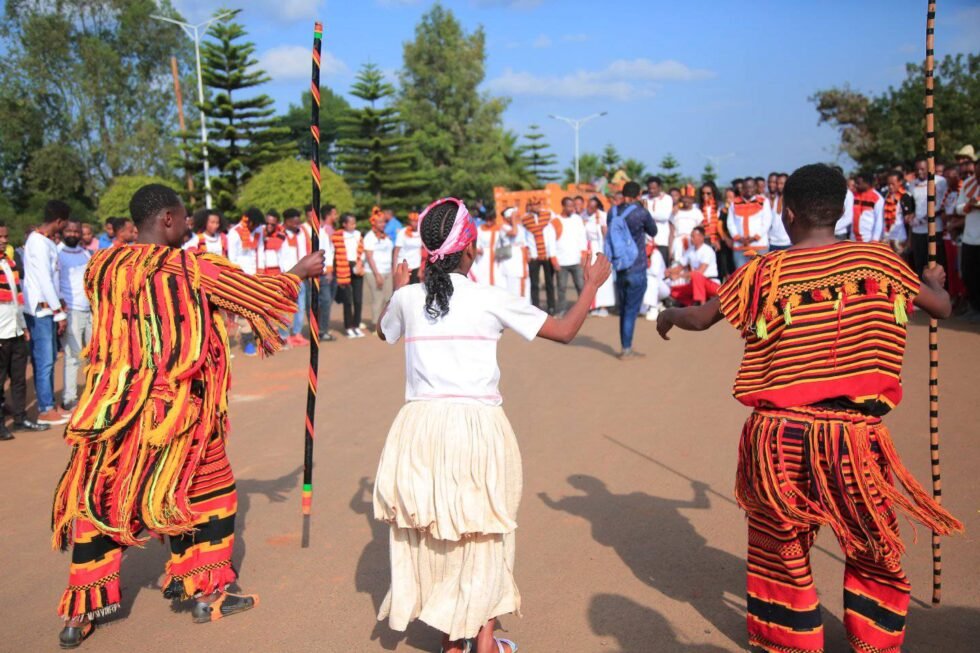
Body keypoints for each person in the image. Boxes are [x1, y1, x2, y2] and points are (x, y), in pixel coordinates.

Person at [656, 164, 963, 653]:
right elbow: (942, 307)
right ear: (841, 211)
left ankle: (793, 643)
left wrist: (670, 314)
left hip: (778, 437)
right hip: (854, 439)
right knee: (872, 542)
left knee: (781, 545)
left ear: (787, 213)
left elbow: (700, 317)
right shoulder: (880, 261)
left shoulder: (762, 271)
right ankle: (875, 641)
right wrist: (933, 280)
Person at [51, 184, 324, 649]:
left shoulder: (102, 267)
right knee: (210, 495)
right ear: (167, 220)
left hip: (112, 411)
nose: (189, 226)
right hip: (179, 416)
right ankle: (208, 593)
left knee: (101, 501)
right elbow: (256, 296)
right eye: (183, 218)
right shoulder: (194, 268)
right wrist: (299, 271)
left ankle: (80, 613)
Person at [373, 196, 611, 653]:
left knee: (436, 533)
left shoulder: (406, 298)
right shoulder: (489, 298)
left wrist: (398, 287)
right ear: (469, 249)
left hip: (420, 429)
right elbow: (564, 331)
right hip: (476, 428)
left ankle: (454, 641)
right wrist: (591, 286)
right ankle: (483, 640)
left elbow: (385, 331)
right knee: (482, 532)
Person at [0, 220, 48, 439]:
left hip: (16, 330)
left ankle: (20, 419)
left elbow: (16, 298)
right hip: (1, 332)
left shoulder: (9, 263)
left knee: (19, 379)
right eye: (0, 237)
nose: (4, 241)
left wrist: (22, 326)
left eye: (6, 237)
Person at [23, 200, 70, 425]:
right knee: (44, 361)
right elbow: (44, 279)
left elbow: (54, 278)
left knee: (50, 359)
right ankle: (45, 408)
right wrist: (58, 311)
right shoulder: (38, 242)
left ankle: (50, 402)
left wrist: (59, 304)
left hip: (49, 308)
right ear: (59, 221)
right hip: (41, 310)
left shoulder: (46, 241)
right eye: (65, 223)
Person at [606, 181, 657, 359]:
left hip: (619, 266)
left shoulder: (612, 212)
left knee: (623, 308)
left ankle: (625, 345)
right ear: (639, 195)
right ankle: (626, 348)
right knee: (631, 310)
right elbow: (653, 231)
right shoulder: (641, 213)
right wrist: (645, 210)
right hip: (637, 265)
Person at [57, 219, 92, 412]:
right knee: (73, 357)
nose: (73, 234)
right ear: (63, 231)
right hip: (71, 311)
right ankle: (69, 398)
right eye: (69, 231)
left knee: (94, 355)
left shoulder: (84, 253)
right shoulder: (58, 253)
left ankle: (93, 393)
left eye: (76, 231)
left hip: (89, 310)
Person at [228, 208, 263, 355]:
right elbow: (232, 258)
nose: (256, 227)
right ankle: (247, 341)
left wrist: (260, 274)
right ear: (248, 221)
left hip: (256, 276)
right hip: (241, 277)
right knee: (244, 311)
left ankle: (253, 337)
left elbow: (260, 252)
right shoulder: (234, 233)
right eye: (255, 225)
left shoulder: (258, 231)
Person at [908, 155, 949, 276]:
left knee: (936, 265)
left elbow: (943, 204)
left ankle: (938, 288)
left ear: (929, 167)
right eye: (917, 169)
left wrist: (929, 216)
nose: (919, 172)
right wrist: (911, 216)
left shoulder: (940, 181)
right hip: (918, 230)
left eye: (922, 169)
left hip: (935, 229)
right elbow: (912, 205)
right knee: (920, 264)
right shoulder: (912, 184)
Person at [726, 177, 773, 269]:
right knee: (741, 273)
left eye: (751, 187)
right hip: (740, 246)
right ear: (742, 188)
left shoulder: (763, 201)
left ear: (755, 187)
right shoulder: (734, 203)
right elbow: (730, 223)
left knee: (760, 273)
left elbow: (767, 221)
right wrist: (738, 238)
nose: (749, 190)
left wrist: (755, 238)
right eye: (746, 187)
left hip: (759, 245)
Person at [955, 146, 980, 320]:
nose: (977, 177)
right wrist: (969, 206)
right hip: (969, 238)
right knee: (968, 274)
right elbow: (957, 208)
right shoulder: (968, 183)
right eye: (976, 174)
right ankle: (974, 307)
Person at [280, 208, 311, 345]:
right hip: (286, 276)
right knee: (285, 308)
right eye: (293, 222)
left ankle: (297, 333)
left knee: (300, 306)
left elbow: (306, 251)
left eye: (298, 222)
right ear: (286, 221)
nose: (296, 225)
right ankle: (284, 335)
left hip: (301, 276)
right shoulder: (280, 233)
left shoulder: (302, 232)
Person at [667, 226, 719, 306]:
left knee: (697, 276)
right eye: (691, 236)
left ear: (701, 237)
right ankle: (691, 304)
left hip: (711, 283)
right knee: (673, 291)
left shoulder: (707, 250)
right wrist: (669, 272)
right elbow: (680, 267)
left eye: (693, 236)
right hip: (696, 284)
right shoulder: (690, 251)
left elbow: (700, 272)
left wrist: (679, 276)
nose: (691, 239)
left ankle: (701, 306)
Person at [522, 203, 559, 314]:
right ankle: (535, 308)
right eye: (533, 205)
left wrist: (553, 255)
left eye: (538, 204)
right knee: (534, 283)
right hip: (534, 256)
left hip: (547, 254)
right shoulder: (525, 219)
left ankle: (551, 307)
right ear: (530, 206)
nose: (536, 207)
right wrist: (527, 253)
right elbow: (524, 238)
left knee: (549, 283)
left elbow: (555, 231)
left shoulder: (548, 215)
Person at [332, 213, 365, 338]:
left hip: (356, 265)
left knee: (358, 299)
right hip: (343, 266)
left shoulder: (358, 234)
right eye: (351, 223)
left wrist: (360, 264)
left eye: (354, 223)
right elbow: (333, 252)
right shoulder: (337, 236)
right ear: (344, 224)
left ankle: (356, 325)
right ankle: (348, 326)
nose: (353, 225)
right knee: (347, 299)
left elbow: (362, 251)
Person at [308, 203, 338, 341]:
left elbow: (328, 252)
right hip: (309, 274)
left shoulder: (323, 232)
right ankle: (314, 330)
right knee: (312, 303)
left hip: (323, 273)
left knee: (326, 301)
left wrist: (329, 270)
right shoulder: (304, 232)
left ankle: (323, 330)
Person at [554, 197, 589, 312]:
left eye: (573, 206)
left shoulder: (577, 219)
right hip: (561, 260)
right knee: (561, 287)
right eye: (569, 206)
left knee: (580, 285)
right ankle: (561, 310)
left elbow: (582, 237)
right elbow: (551, 241)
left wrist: (583, 254)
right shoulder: (556, 220)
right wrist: (554, 259)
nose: (572, 209)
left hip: (576, 259)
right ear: (563, 206)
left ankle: (583, 310)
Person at [583, 196, 614, 316]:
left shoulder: (602, 216)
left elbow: (606, 235)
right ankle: (591, 305)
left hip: (600, 248)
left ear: (597, 207)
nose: (589, 209)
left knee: (602, 276)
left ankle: (603, 306)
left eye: (592, 207)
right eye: (588, 206)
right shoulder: (583, 215)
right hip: (588, 248)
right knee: (589, 277)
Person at [363, 210, 394, 327]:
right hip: (374, 272)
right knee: (378, 298)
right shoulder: (369, 237)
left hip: (387, 271)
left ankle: (386, 323)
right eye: (380, 222)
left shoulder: (385, 236)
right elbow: (369, 257)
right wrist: (377, 275)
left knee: (388, 298)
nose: (383, 224)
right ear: (374, 223)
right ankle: (376, 325)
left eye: (384, 222)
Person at [836, 171, 884, 242]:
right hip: (853, 238)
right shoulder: (853, 196)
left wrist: (875, 239)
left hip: (868, 239)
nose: (855, 185)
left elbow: (879, 221)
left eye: (858, 183)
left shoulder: (877, 198)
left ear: (867, 183)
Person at [498, 208, 531, 303]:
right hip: (511, 263)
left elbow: (525, 242)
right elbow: (514, 233)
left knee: (525, 285)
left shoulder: (520, 227)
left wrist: (528, 254)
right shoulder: (504, 228)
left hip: (522, 261)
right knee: (513, 287)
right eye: (513, 216)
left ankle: (525, 305)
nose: (516, 218)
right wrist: (513, 220)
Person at [471, 211, 506, 288]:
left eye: (490, 220)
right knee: (484, 276)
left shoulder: (500, 229)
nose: (488, 222)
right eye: (486, 220)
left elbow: (504, 242)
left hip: (496, 256)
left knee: (498, 276)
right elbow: (477, 242)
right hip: (484, 256)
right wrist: (478, 249)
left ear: (494, 219)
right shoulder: (480, 229)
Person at [643, 176, 673, 261]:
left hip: (661, 240)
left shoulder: (667, 198)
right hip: (646, 240)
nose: (651, 191)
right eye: (649, 188)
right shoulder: (644, 198)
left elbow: (664, 216)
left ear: (660, 187)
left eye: (654, 188)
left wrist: (647, 213)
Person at [669, 193, 703, 264]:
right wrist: (670, 250)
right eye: (684, 198)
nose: (686, 200)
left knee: (692, 263)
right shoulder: (675, 212)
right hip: (678, 241)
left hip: (692, 241)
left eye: (689, 198)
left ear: (693, 199)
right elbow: (671, 233)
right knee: (677, 263)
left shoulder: (697, 212)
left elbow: (700, 231)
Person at [883, 170, 912, 250]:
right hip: (888, 236)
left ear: (900, 182)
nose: (890, 187)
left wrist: (909, 242)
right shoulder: (887, 196)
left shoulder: (906, 196)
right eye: (888, 184)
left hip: (901, 237)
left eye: (893, 184)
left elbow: (910, 221)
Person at [393, 211, 423, 284]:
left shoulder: (421, 232)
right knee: (403, 287)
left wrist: (421, 268)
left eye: (416, 221)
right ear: (409, 221)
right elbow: (396, 252)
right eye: (412, 221)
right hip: (404, 265)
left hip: (416, 265)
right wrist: (394, 268)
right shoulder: (402, 232)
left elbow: (421, 250)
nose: (414, 223)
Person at [257, 210, 285, 276]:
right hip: (261, 272)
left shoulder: (282, 237)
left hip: (276, 271)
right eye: (267, 223)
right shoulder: (258, 234)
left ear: (277, 223)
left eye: (272, 224)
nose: (269, 226)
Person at [767, 173, 792, 251]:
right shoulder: (770, 199)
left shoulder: (791, 200)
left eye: (781, 183)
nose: (778, 186)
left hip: (788, 242)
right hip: (772, 242)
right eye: (777, 183)